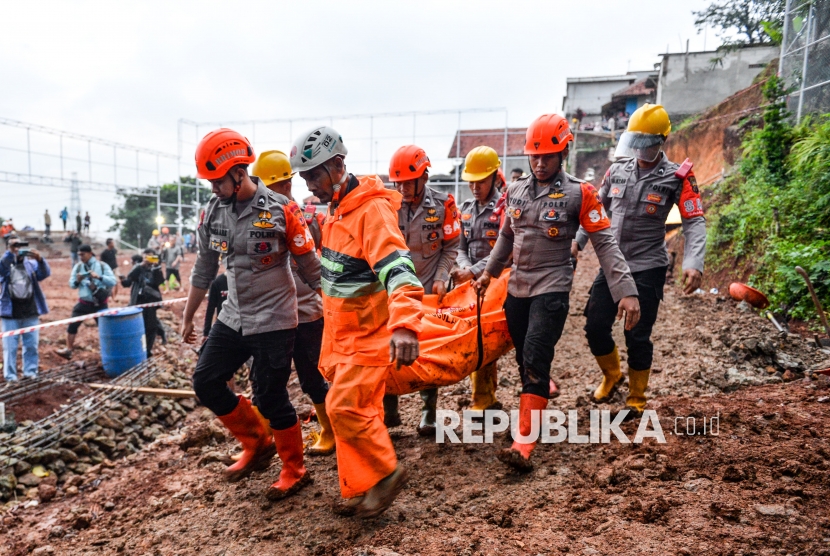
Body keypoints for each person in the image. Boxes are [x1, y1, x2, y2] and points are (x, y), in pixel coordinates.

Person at [473, 114, 641, 471]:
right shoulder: (515, 191)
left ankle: (523, 444)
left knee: (534, 353)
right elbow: (506, 236)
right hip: (517, 288)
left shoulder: (580, 193)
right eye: (534, 155)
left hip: (552, 287)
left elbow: (605, 242)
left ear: (564, 152)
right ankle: (535, 399)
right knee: (523, 355)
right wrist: (488, 273)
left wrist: (625, 289)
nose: (540, 162)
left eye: (547, 155)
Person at [180, 128, 320, 501]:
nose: (212, 188)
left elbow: (311, 267)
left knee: (271, 397)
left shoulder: (282, 209)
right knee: (206, 381)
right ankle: (257, 442)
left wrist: (337, 308)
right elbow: (204, 268)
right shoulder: (212, 212)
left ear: (239, 173)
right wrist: (189, 316)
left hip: (275, 319)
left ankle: (295, 469)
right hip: (234, 315)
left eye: (216, 181)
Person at [291, 125, 422, 517]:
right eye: (305, 178)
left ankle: (386, 475)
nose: (309, 185)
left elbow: (398, 267)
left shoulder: (370, 210)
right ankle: (363, 488)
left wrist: (404, 323)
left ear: (337, 165)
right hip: (344, 336)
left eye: (314, 175)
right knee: (359, 411)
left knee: (345, 408)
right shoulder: (337, 209)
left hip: (368, 335)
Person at [574, 103, 706, 420]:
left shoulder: (678, 177)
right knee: (594, 326)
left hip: (648, 265)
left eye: (647, 143)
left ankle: (636, 398)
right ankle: (612, 375)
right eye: (636, 142)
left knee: (637, 334)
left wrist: (693, 262)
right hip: (613, 264)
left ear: (661, 141)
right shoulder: (616, 171)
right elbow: (594, 210)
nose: (641, 149)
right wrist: (576, 243)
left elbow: (694, 221)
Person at [252, 149, 334, 455]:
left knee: (312, 375)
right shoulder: (256, 222)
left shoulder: (311, 218)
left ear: (283, 185)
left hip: (307, 312)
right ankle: (260, 438)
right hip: (272, 314)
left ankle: (329, 430)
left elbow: (325, 263)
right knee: (264, 376)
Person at [384, 145, 459, 437]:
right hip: (392, 290)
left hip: (428, 290)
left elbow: (451, 245)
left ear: (424, 176)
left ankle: (429, 412)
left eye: (407, 181)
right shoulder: (386, 204)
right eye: (397, 182)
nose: (401, 188)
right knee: (388, 346)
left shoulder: (444, 205)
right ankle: (389, 407)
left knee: (428, 351)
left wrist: (442, 276)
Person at [450, 146, 506, 413]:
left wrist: (473, 271)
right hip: (470, 283)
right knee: (474, 335)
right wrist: (464, 268)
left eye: (480, 181)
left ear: (494, 177)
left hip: (497, 281)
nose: (475, 187)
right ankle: (485, 398)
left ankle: (483, 399)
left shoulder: (505, 208)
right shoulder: (466, 209)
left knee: (488, 337)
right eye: (471, 182)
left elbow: (503, 252)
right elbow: (461, 248)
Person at [0, 235, 51, 381]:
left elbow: (44, 273)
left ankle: (30, 372)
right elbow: (1, 269)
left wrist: (40, 260)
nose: (18, 249)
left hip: (30, 311)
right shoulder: (6, 263)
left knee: (31, 345)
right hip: (10, 313)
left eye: (19, 245)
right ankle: (10, 376)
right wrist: (10, 252)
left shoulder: (31, 264)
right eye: (14, 245)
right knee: (10, 348)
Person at [57, 245, 117, 359]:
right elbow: (71, 284)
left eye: (83, 254)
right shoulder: (78, 267)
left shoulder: (102, 266)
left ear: (90, 253)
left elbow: (112, 281)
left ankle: (109, 352)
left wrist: (99, 277)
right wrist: (77, 281)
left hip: (100, 303)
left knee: (106, 329)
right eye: (79, 254)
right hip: (84, 302)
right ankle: (68, 349)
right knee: (72, 325)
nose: (81, 257)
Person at [121, 249, 165, 357]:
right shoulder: (139, 268)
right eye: (145, 257)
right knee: (135, 326)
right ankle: (135, 348)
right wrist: (141, 265)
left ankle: (148, 350)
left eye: (150, 257)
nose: (147, 259)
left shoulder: (155, 269)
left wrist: (156, 267)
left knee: (151, 327)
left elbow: (160, 281)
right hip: (137, 302)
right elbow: (130, 277)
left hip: (150, 303)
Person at [203, 272, 228, 337]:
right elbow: (210, 308)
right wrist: (206, 332)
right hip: (223, 326)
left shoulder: (244, 282)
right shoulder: (218, 282)